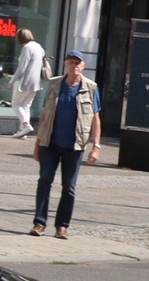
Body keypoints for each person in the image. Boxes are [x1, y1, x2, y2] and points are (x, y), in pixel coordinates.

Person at [32, 49, 101, 238]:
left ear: (83, 66)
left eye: (78, 62)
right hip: (50, 143)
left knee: (68, 187)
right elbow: (45, 115)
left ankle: (62, 226)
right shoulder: (54, 84)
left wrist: (96, 146)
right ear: (65, 65)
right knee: (44, 181)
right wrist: (37, 145)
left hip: (75, 145)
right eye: (71, 62)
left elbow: (95, 118)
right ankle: (39, 223)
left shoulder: (91, 87)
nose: (75, 65)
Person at [9, 28, 47, 128]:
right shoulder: (39, 47)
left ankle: (25, 125)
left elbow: (22, 66)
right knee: (26, 106)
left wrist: (12, 81)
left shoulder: (27, 48)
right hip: (37, 81)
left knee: (16, 103)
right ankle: (24, 131)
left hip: (27, 80)